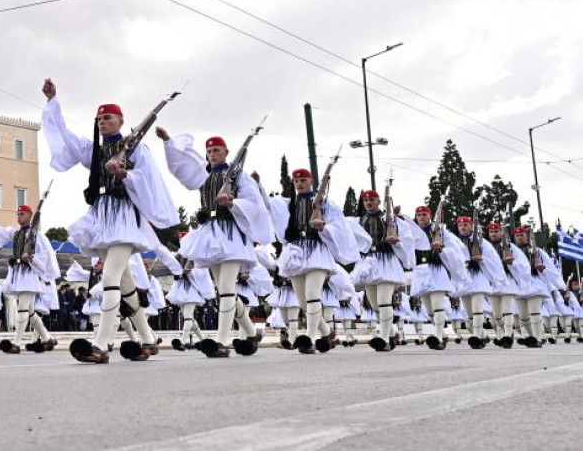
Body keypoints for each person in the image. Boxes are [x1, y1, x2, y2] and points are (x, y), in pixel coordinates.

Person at [41, 79, 178, 363]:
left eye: (108, 118)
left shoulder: (135, 149)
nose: (103, 123)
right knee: (125, 283)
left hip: (124, 218)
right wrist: (53, 102)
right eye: (100, 119)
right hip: (102, 217)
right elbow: (65, 136)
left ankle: (101, 344)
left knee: (110, 277)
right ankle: (149, 338)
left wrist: (126, 173)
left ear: (121, 121)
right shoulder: (95, 149)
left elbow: (150, 180)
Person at [157, 128, 271, 358]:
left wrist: (232, 204)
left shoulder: (238, 175)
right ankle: (250, 333)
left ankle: (221, 340)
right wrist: (169, 141)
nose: (212, 154)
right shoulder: (203, 174)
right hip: (210, 233)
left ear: (226, 152)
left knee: (227, 288)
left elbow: (253, 203)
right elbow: (183, 166)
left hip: (230, 233)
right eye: (209, 151)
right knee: (224, 289)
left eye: (216, 150)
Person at [261, 167, 357, 355]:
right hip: (296, 253)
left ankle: (310, 339)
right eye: (296, 181)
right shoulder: (289, 204)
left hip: (317, 252)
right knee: (303, 302)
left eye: (303, 180)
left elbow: (340, 227)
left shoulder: (326, 204)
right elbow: (268, 206)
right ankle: (328, 333)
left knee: (313, 295)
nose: (299, 183)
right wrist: (259, 185)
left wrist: (324, 227)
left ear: (311, 181)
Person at [0, 201, 58, 353]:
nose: (19, 217)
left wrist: (31, 258)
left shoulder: (37, 235)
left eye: (22, 214)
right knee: (30, 312)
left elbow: (46, 255)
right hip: (19, 274)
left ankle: (17, 343)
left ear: (30, 216)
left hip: (30, 275)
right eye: (18, 214)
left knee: (22, 309)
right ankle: (48, 339)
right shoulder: (15, 233)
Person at [347, 189, 416, 352]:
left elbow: (407, 240)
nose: (368, 202)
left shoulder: (392, 220)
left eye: (372, 199)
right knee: (375, 305)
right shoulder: (359, 221)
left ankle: (384, 338)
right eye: (366, 200)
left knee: (384, 301)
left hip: (386, 261)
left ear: (379, 201)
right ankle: (392, 333)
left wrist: (396, 242)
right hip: (369, 262)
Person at [409, 205, 467, 350]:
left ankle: (439, 337)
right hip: (421, 271)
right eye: (419, 215)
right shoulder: (412, 232)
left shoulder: (441, 231)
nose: (422, 217)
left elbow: (457, 249)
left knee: (437, 307)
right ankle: (442, 334)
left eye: (424, 214)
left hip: (437, 270)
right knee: (429, 310)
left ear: (430, 216)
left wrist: (442, 249)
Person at [452, 216, 505, 349]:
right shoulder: (454, 241)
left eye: (465, 225)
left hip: (478, 277)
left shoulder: (482, 242)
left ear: (471, 226)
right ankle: (482, 335)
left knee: (477, 310)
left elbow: (493, 259)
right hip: (463, 278)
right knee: (469, 314)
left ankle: (476, 336)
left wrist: (480, 259)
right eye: (460, 225)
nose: (463, 227)